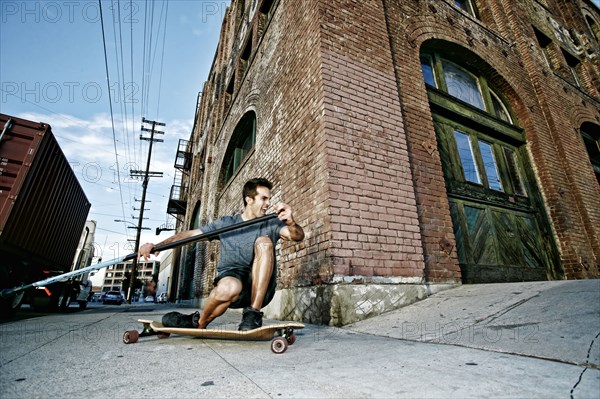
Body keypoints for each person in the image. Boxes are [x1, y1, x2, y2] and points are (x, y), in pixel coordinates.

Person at [138, 178, 305, 331]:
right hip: (233, 280)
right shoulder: (227, 223)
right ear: (249, 199)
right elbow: (190, 235)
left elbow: (297, 236)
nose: (268, 203)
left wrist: (291, 222)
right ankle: (198, 322)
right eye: (264, 198)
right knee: (228, 287)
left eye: (268, 199)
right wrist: (157, 246)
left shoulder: (270, 222)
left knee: (264, 242)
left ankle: (252, 314)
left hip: (262, 288)